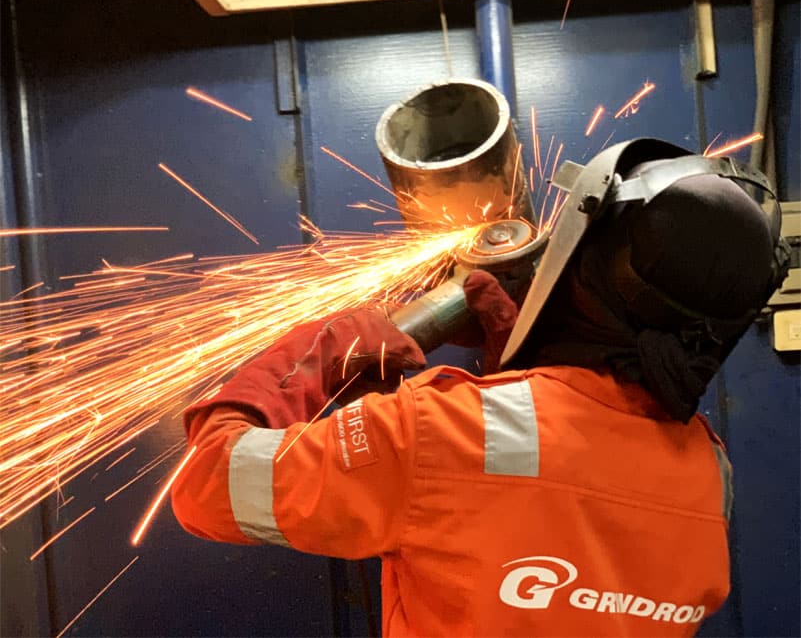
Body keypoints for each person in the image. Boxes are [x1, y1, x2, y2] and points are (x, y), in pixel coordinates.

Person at [171, 138, 789, 636]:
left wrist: (315, 355)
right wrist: (514, 380)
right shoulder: (711, 472)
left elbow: (208, 485)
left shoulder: (440, 432)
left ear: (581, 255)